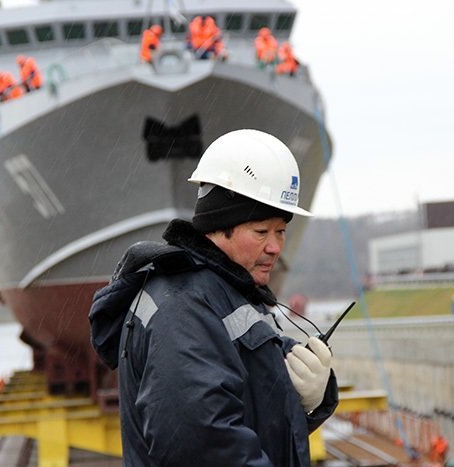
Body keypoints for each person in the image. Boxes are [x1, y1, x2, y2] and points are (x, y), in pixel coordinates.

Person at [89, 129, 339, 466]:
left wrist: (312, 396)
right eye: (261, 232)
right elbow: (202, 447)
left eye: (281, 231)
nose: (275, 247)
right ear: (221, 228)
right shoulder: (184, 308)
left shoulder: (229, 295)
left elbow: (256, 420)